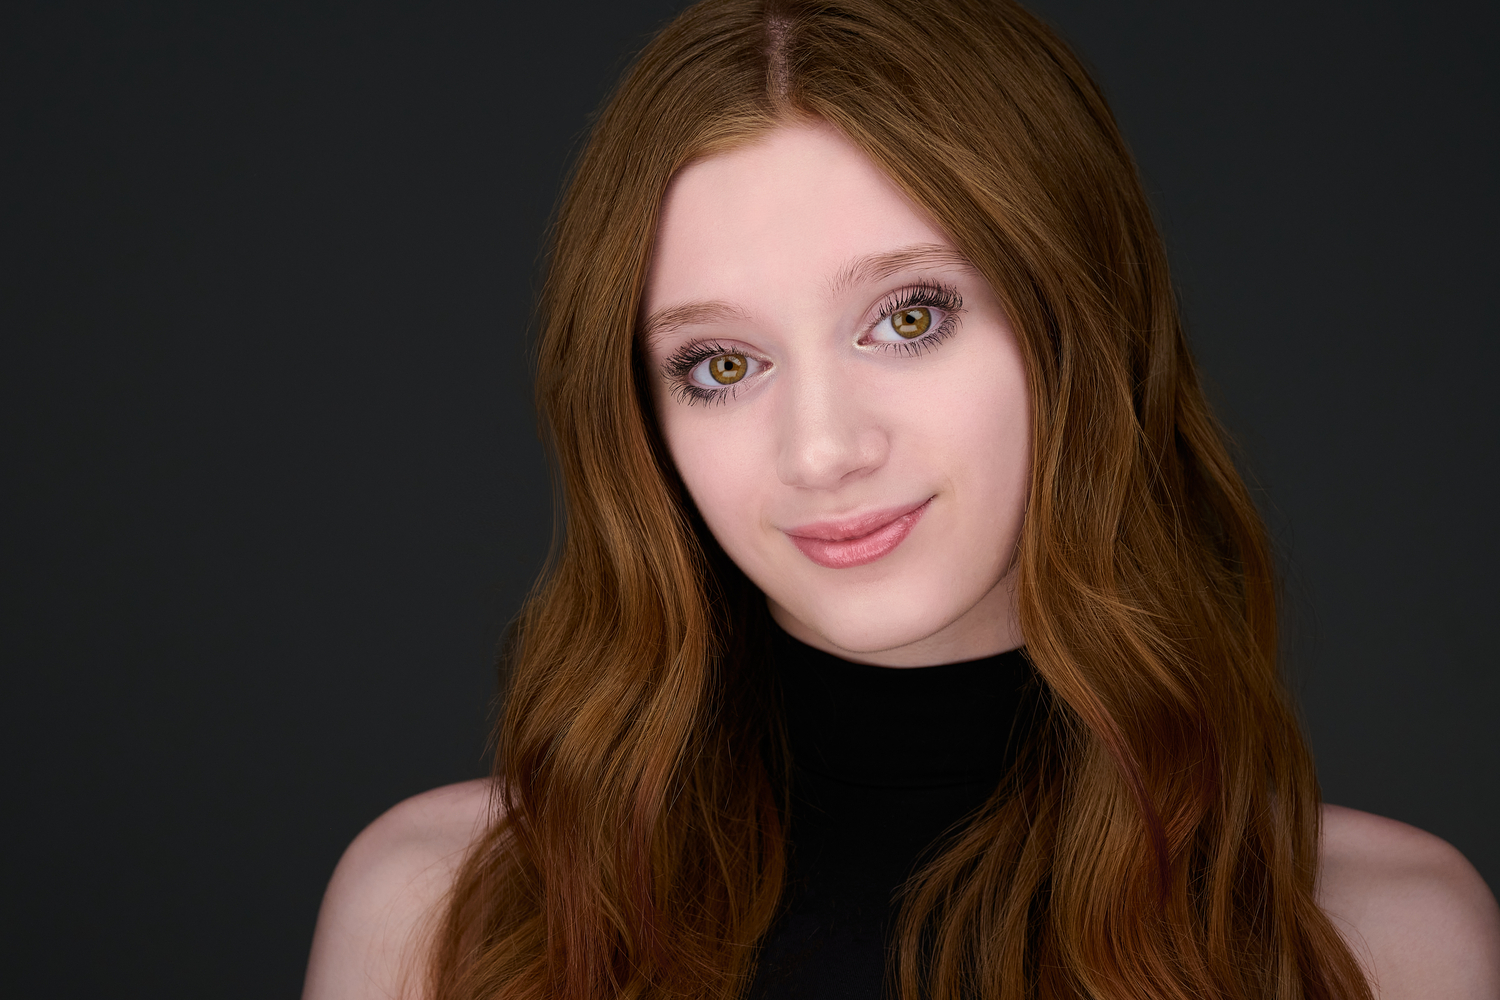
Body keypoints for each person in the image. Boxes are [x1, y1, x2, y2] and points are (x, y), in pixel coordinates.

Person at [301, 1, 1500, 998]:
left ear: (1079, 317)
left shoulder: (1381, 943)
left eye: (910, 316)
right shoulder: (442, 920)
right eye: (722, 363)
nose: (823, 450)